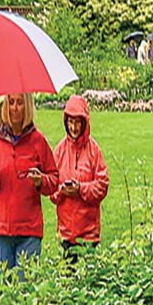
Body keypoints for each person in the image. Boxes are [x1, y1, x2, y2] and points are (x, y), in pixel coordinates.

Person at [0, 92, 59, 277]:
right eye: (11, 102)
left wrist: (41, 181)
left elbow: (54, 180)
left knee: (25, 291)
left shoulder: (38, 141)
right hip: (3, 229)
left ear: (28, 107)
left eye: (20, 103)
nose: (15, 108)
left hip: (29, 230)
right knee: (4, 292)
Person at [51, 93, 109, 260]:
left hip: (89, 235)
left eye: (77, 122)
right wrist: (62, 191)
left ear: (84, 123)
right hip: (66, 234)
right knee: (68, 282)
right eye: (70, 122)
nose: (74, 127)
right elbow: (50, 187)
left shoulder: (93, 151)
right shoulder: (60, 151)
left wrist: (81, 189)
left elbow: (102, 185)